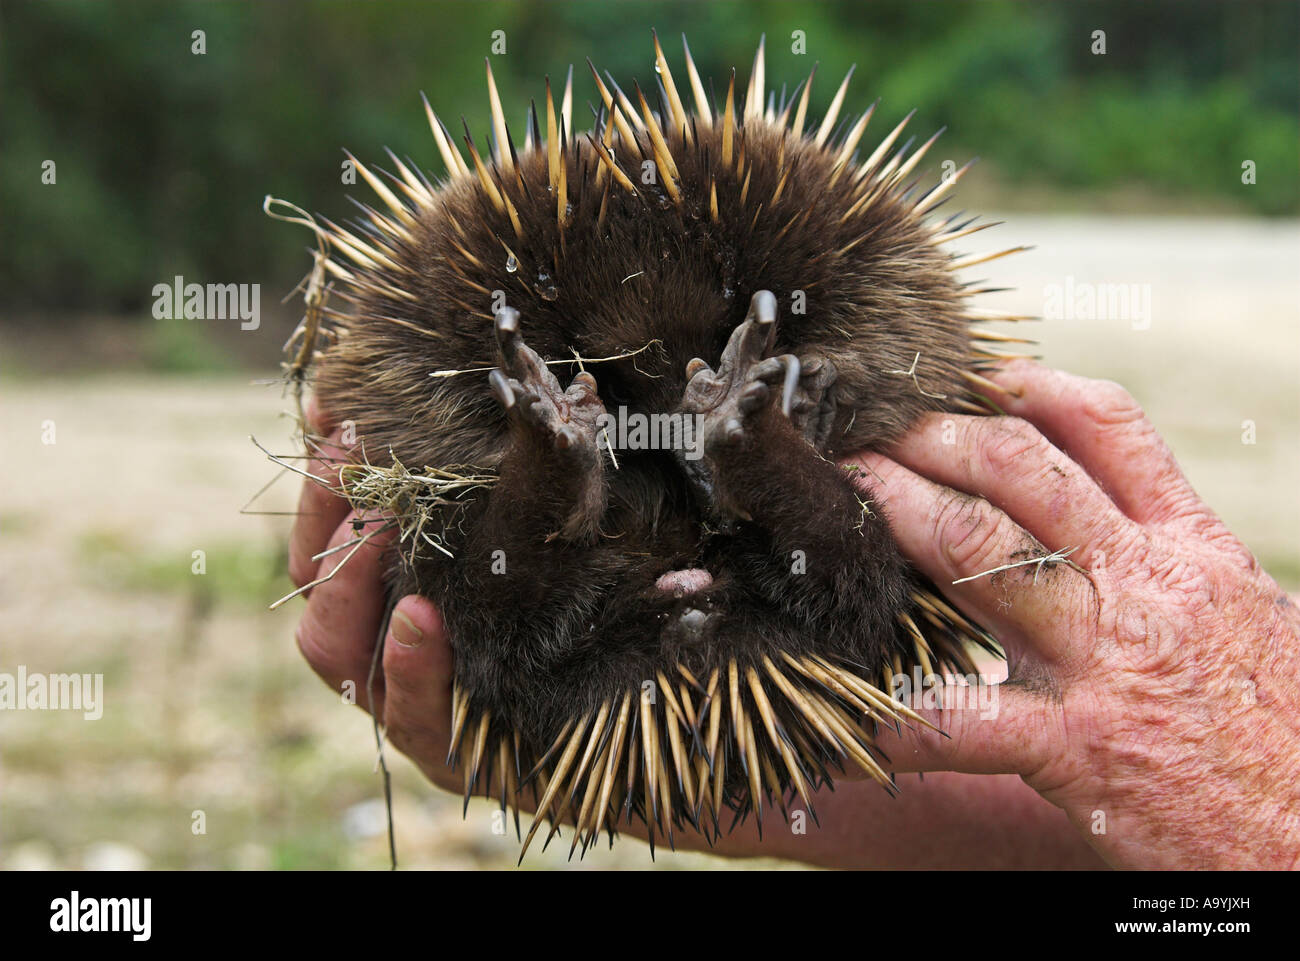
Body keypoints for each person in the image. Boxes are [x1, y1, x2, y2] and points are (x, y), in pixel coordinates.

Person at [288, 360, 1300, 869]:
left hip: (703, 626)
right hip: (672, 639)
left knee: (527, 605)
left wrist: (1263, 790)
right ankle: (647, 470)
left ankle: (576, 477)